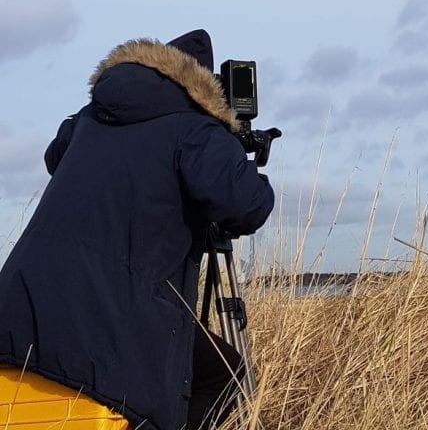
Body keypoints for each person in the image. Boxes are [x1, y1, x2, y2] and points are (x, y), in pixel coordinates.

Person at [0, 29, 275, 430]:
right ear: (202, 85)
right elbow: (249, 206)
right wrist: (229, 144)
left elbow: (54, 155)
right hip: (111, 322)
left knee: (217, 367)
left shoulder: (91, 118)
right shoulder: (193, 128)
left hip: (20, 310)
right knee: (225, 376)